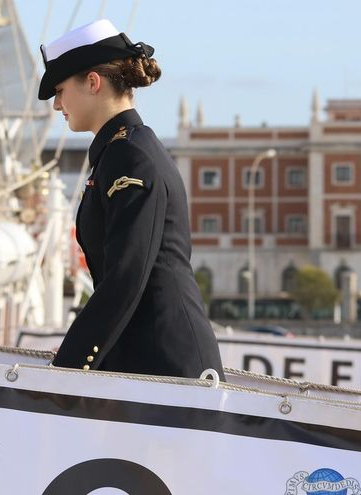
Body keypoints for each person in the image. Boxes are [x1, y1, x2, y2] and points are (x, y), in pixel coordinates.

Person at [38, 19, 224, 379]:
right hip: (145, 361)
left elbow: (125, 276)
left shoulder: (130, 156)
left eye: (60, 91)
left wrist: (68, 367)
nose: (58, 104)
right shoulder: (120, 151)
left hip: (167, 366)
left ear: (93, 82)